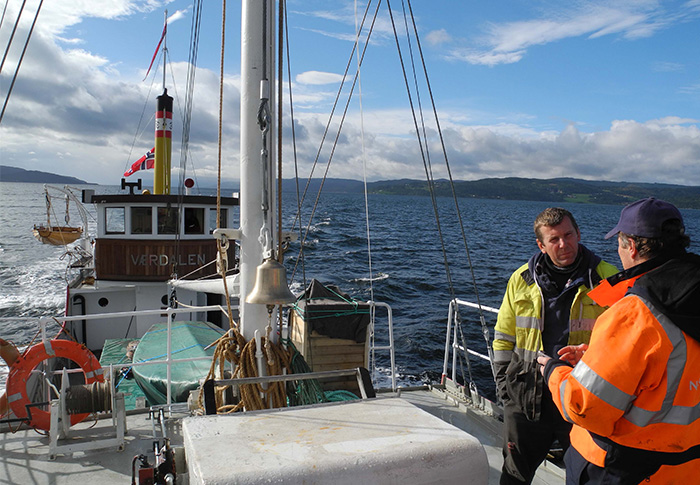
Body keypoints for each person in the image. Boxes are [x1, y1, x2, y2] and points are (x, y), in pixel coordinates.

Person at [539, 197, 700, 483]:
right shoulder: (690, 293)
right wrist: (596, 357)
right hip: (686, 467)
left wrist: (554, 372)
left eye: (619, 243)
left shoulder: (634, 313)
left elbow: (586, 407)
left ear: (632, 247)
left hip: (623, 468)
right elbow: (675, 361)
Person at [493, 207, 618, 484]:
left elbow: (622, 339)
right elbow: (504, 335)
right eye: (554, 239)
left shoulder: (606, 278)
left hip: (580, 400)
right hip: (526, 399)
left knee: (584, 476)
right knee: (514, 475)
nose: (565, 244)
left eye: (569, 235)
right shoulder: (521, 279)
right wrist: (505, 387)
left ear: (578, 233)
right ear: (541, 245)